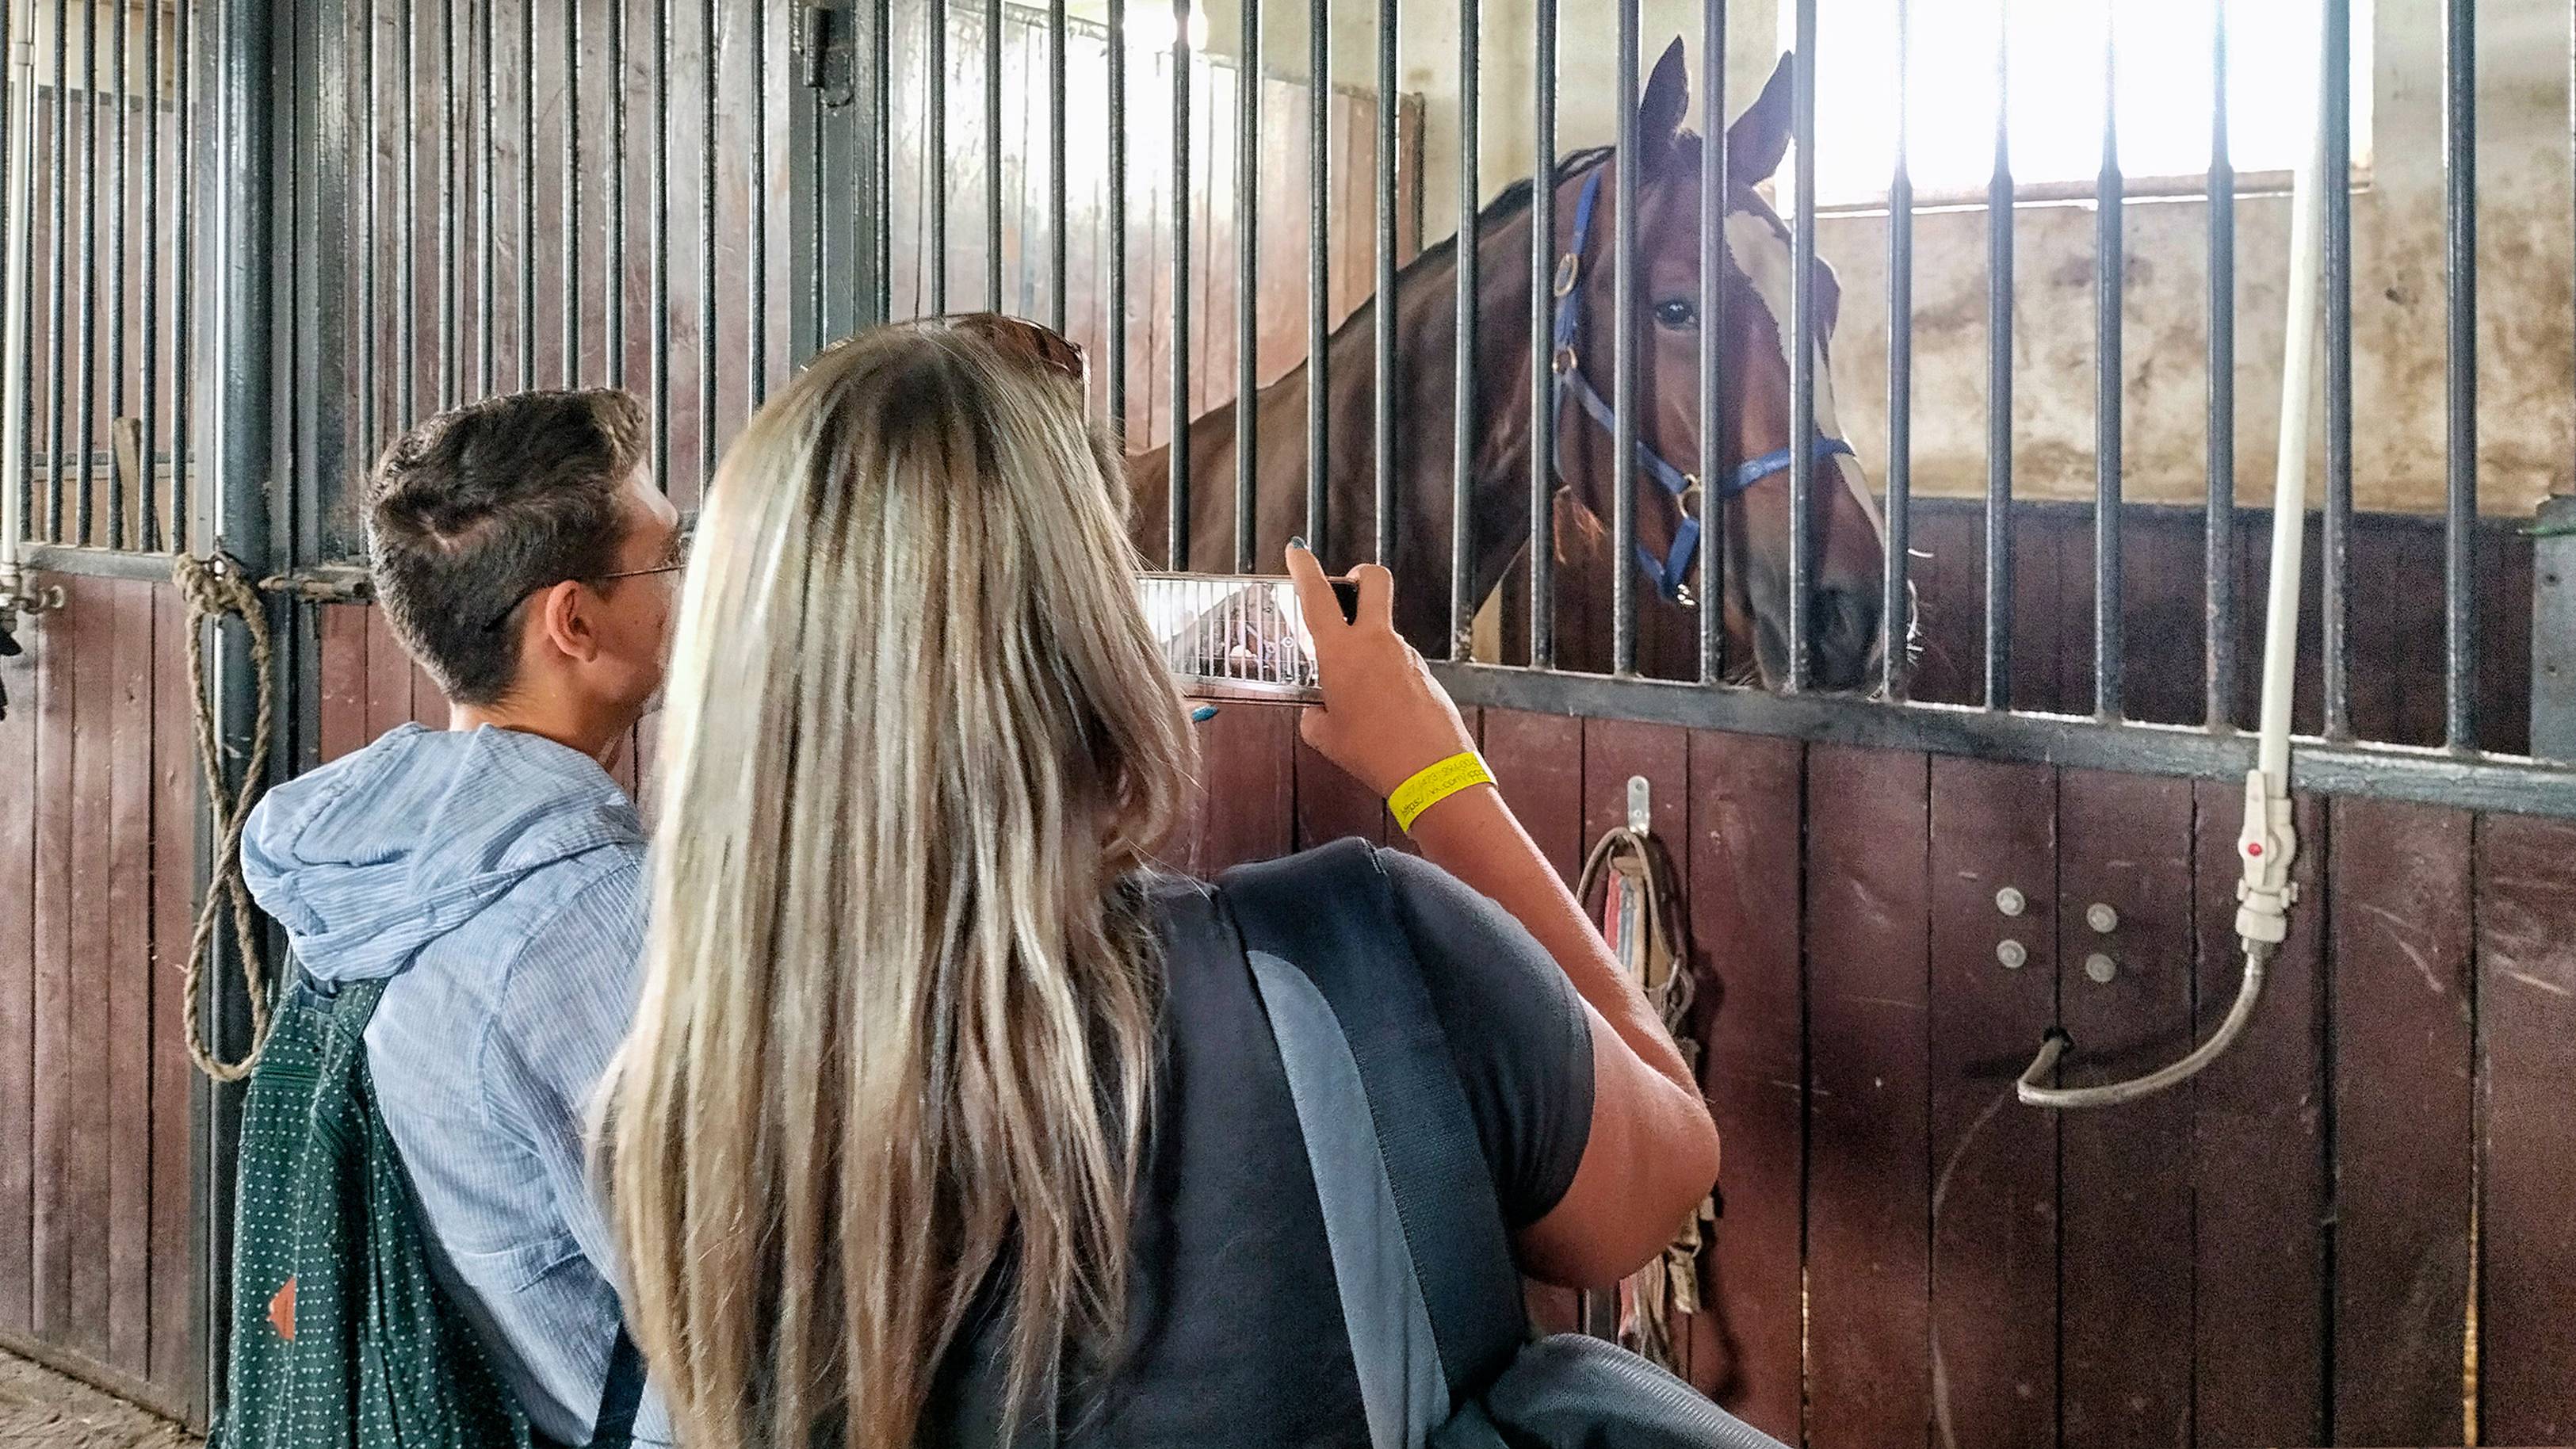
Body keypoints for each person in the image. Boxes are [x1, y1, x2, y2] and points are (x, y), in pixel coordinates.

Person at [603, 316, 1722, 1449]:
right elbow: (1661, 1176)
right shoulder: (1361, 948)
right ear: (1103, 631)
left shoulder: (673, 1098)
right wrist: (1436, 771)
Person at [240, 389, 681, 1447]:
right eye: (668, 560)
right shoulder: (589, 921)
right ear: (572, 620)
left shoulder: (367, 861)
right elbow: (713, 1306)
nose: (691, 588)